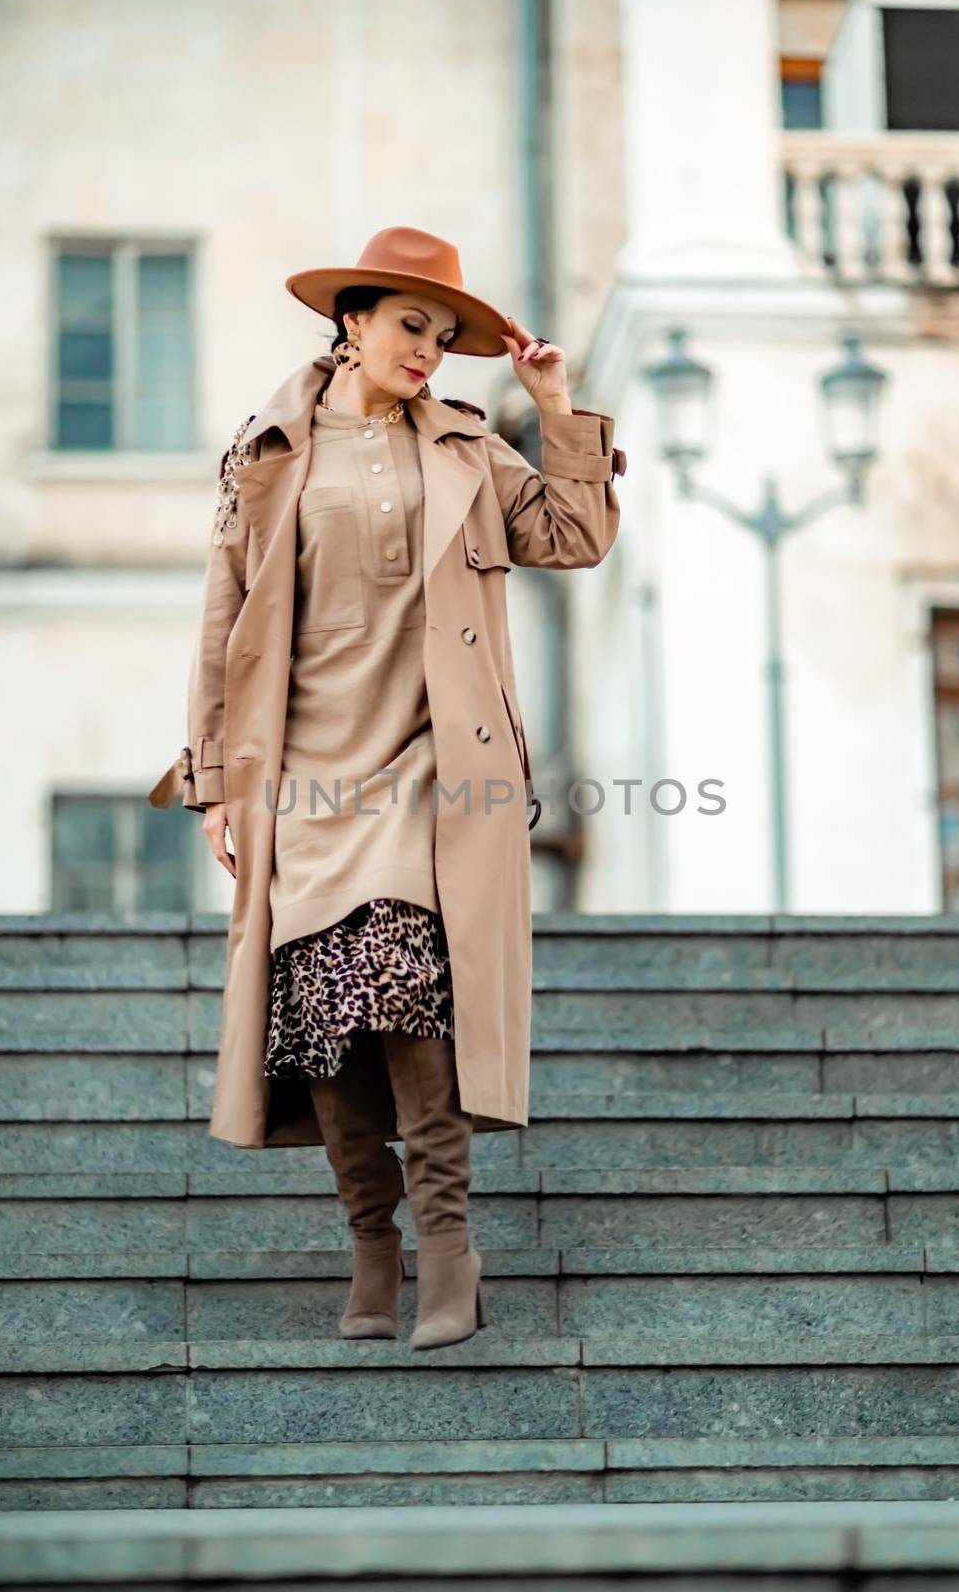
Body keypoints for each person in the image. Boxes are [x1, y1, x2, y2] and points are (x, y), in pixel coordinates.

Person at [148, 227, 625, 1351]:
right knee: (325, 1019)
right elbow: (224, 620)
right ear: (351, 323)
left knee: (404, 985)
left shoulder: (464, 443)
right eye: (411, 324)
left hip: (431, 762)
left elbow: (575, 534)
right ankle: (372, 1247)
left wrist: (553, 403)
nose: (431, 349)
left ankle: (448, 1249)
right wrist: (216, 780)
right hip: (303, 766)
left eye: (447, 334)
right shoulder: (267, 451)